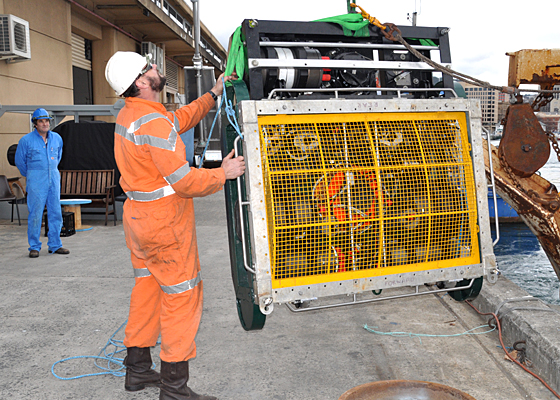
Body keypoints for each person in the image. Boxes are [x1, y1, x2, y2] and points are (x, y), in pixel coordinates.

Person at [105, 51, 245, 400]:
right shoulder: (151, 123)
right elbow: (184, 181)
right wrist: (221, 174)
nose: (156, 68)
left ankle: (137, 370)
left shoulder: (133, 115)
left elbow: (178, 119)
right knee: (182, 296)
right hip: (163, 224)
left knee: (148, 291)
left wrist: (212, 94)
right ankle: (175, 390)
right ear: (141, 81)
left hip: (138, 219)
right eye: (150, 66)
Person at [15, 108, 70, 258]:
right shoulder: (26, 141)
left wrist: (49, 170)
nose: (45, 124)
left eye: (47, 121)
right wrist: (33, 175)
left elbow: (58, 156)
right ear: (35, 123)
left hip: (53, 177)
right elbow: (20, 162)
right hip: (36, 180)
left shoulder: (57, 138)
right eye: (41, 121)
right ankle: (34, 246)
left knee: (55, 212)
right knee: (35, 213)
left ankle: (55, 244)